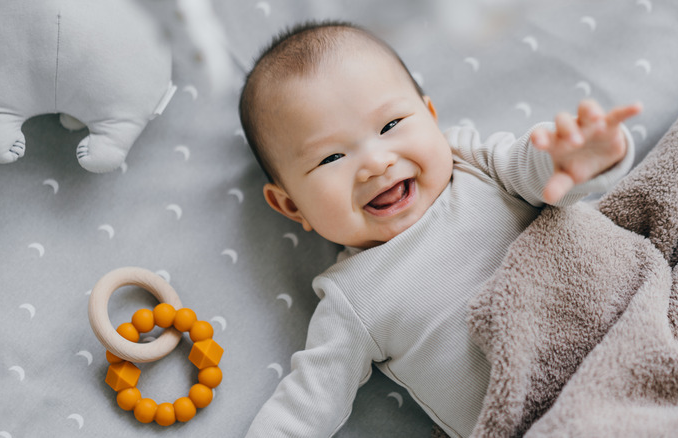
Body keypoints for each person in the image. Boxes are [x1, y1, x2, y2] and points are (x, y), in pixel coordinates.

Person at [238, 20, 641, 437]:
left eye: (390, 125)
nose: (377, 162)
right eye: (332, 157)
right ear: (290, 206)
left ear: (430, 117)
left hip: (635, 330)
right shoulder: (353, 297)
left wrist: (580, 159)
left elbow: (536, 167)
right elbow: (305, 404)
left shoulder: (475, 164)